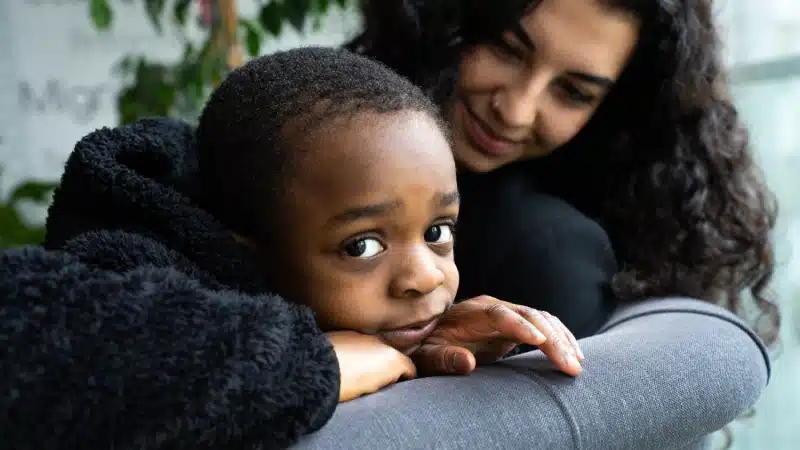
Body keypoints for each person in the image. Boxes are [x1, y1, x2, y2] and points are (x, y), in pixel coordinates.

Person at [0, 47, 581, 449]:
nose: (426, 278)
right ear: (247, 253)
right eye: (362, 245)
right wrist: (312, 361)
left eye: (437, 232)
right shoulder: (120, 285)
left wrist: (419, 343)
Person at [346, 0, 780, 343]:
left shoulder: (547, 251)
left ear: (616, 112)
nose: (515, 111)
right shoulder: (326, 137)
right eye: (506, 49)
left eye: (572, 92)